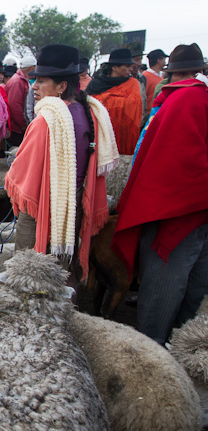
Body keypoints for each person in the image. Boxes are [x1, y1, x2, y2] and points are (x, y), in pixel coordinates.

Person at [112, 42, 208, 345]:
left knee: (164, 288)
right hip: (195, 210)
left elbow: (173, 163)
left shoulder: (184, 101)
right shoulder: (193, 98)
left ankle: (151, 352)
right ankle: (183, 349)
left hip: (175, 213)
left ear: (174, 74)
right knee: (195, 287)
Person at [4, 44, 119, 291]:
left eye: (41, 81)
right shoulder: (87, 111)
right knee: (63, 267)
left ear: (62, 86)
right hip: (73, 205)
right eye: (34, 79)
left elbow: (22, 174)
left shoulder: (47, 119)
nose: (34, 86)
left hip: (41, 208)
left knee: (28, 271)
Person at [86, 48, 143, 155]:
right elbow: (89, 108)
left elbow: (136, 106)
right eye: (126, 66)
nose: (130, 69)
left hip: (124, 137)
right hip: (101, 134)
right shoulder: (96, 84)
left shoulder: (133, 84)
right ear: (114, 67)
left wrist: (108, 100)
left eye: (130, 66)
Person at [5, 55, 36, 146]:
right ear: (31, 68)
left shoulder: (23, 80)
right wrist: (23, 124)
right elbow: (15, 106)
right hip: (17, 128)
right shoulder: (17, 82)